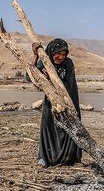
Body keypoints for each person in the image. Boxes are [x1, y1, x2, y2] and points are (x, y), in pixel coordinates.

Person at [31, 38, 82, 168]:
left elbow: (67, 84)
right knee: (47, 126)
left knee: (69, 128)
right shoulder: (45, 62)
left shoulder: (68, 63)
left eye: (64, 54)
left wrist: (52, 76)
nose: (61, 57)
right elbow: (30, 76)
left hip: (69, 101)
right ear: (51, 51)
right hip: (50, 102)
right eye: (58, 53)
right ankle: (43, 158)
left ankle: (69, 159)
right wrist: (36, 56)